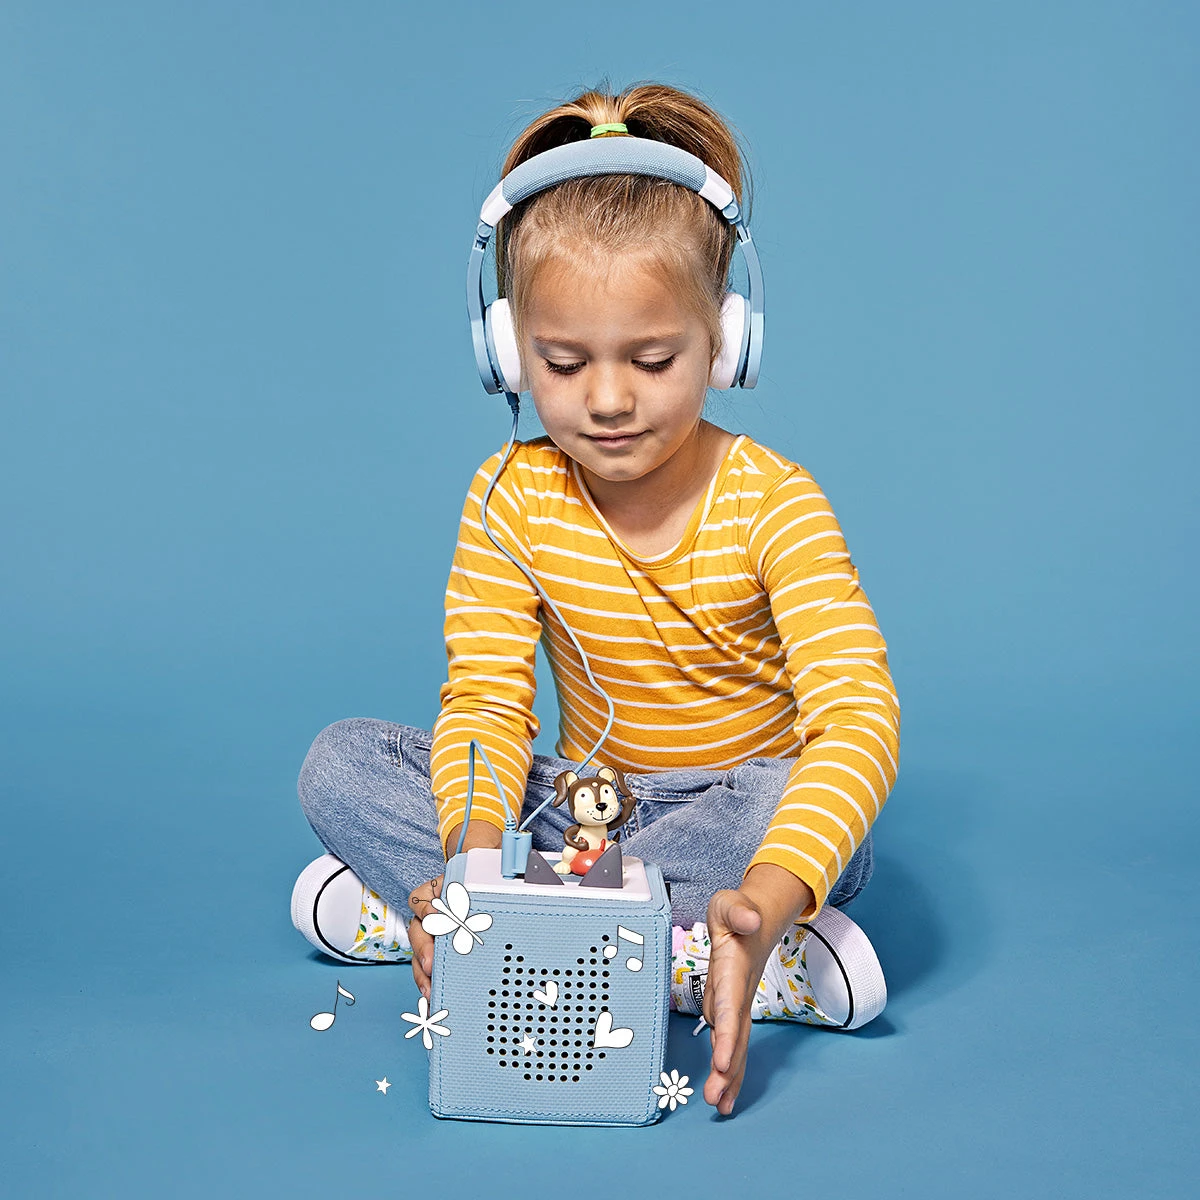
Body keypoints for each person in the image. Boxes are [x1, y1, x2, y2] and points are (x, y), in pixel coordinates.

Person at [291, 82, 900, 1117]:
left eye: (653, 360)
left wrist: (767, 893)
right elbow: (486, 703)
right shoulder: (510, 495)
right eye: (563, 363)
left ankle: (678, 933)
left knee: (780, 806)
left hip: (733, 812)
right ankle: (650, 949)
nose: (609, 399)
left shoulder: (776, 503)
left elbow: (856, 718)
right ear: (506, 351)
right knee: (341, 763)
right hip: (585, 813)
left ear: (726, 340)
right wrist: (472, 858)